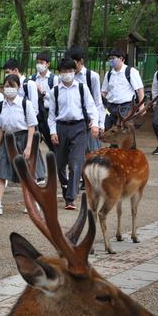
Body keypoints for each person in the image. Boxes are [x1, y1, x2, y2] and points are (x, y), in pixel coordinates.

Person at [0, 74, 38, 216]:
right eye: (6, 86)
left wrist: (29, 146)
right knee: (1, 172)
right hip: (8, 141)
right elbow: (0, 128)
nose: (9, 89)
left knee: (27, 173)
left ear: (18, 87)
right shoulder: (1, 105)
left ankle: (32, 202)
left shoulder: (26, 104)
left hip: (23, 139)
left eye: (12, 86)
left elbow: (31, 126)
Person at [48, 57, 98, 210]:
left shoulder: (82, 88)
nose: (67, 74)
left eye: (70, 71)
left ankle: (70, 198)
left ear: (74, 72)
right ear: (59, 73)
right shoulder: (54, 91)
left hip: (79, 128)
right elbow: (51, 115)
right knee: (59, 164)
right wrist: (52, 132)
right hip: (61, 128)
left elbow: (91, 107)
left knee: (76, 164)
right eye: (64, 71)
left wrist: (95, 124)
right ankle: (65, 186)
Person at [101, 49, 146, 149]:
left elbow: (139, 89)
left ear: (121, 59)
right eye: (109, 59)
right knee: (108, 127)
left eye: (113, 58)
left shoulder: (130, 72)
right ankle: (115, 148)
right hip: (110, 107)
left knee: (123, 128)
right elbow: (104, 91)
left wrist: (142, 106)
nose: (111, 61)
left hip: (126, 106)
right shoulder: (109, 74)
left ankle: (126, 151)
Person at [67, 46, 106, 152]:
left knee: (94, 155)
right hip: (74, 122)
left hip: (89, 122)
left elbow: (98, 102)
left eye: (73, 61)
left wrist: (99, 123)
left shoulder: (92, 76)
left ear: (80, 61)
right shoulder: (67, 77)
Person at [29, 52, 58, 152]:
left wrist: (43, 92)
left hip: (48, 112)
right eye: (37, 62)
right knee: (33, 140)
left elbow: (56, 97)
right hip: (36, 113)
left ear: (48, 64)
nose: (39, 65)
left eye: (42, 62)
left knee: (51, 140)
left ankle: (56, 162)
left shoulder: (53, 79)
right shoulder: (32, 79)